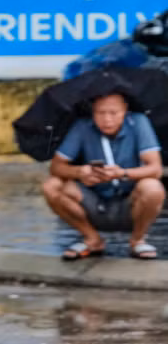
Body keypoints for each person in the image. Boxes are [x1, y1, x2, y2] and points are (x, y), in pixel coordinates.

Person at [42, 93, 165, 261]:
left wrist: (123, 173)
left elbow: (156, 169)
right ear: (93, 112)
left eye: (113, 113)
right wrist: (79, 172)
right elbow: (56, 166)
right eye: (100, 113)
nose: (107, 119)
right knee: (52, 186)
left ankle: (138, 240)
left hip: (130, 202)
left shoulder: (138, 122)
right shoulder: (83, 126)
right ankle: (92, 238)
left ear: (125, 111)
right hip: (94, 201)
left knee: (152, 187)